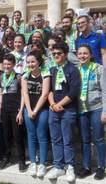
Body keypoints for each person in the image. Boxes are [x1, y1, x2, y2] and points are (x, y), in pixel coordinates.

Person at [46, 41, 81, 182]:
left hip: (68, 110)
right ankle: (58, 166)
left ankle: (70, 167)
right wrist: (53, 104)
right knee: (56, 140)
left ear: (65, 54)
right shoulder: (52, 69)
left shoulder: (72, 69)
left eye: (59, 53)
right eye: (53, 54)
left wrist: (58, 104)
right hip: (54, 109)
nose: (56, 56)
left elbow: (73, 92)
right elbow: (48, 90)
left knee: (67, 140)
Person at [76, 45, 106, 180]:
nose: (82, 56)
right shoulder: (76, 70)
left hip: (97, 108)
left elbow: (105, 91)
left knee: (99, 138)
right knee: (85, 140)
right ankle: (87, 167)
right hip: (82, 110)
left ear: (90, 54)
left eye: (85, 53)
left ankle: (101, 167)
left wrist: (105, 111)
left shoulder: (99, 69)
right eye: (80, 53)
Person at [22, 51, 50, 177]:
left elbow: (44, 95)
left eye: (33, 61)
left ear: (39, 62)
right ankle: (33, 162)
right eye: (28, 62)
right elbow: (25, 94)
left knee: (42, 136)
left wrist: (35, 110)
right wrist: (28, 110)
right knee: (31, 136)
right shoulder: (25, 76)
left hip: (42, 110)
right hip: (29, 110)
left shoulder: (45, 75)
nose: (30, 64)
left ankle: (43, 164)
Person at [0, 53, 27, 171]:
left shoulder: (19, 77)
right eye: (4, 64)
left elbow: (23, 95)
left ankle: (22, 160)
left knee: (17, 135)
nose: (6, 66)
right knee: (6, 134)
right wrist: (0, 109)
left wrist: (20, 111)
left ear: (14, 64)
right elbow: (1, 92)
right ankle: (7, 157)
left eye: (9, 64)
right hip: (5, 108)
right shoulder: (1, 77)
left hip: (16, 108)